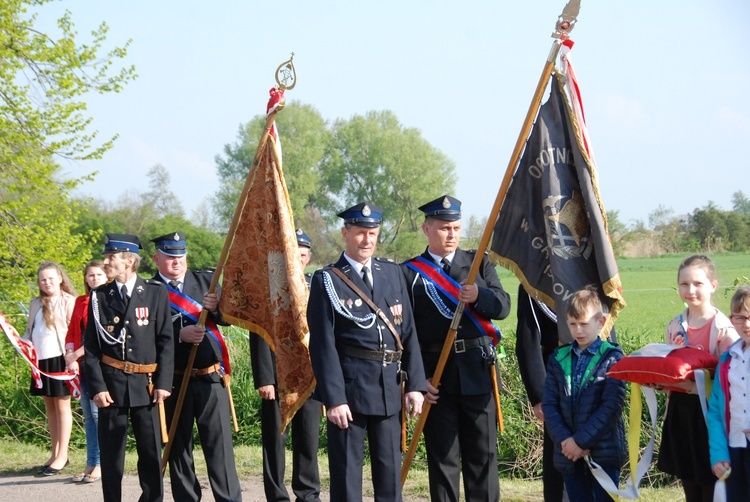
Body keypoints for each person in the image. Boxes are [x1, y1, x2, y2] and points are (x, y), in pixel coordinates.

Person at [307, 202, 426, 501]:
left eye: (372, 233)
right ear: (345, 233)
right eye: (360, 233)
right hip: (350, 391)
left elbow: (408, 333)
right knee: (347, 478)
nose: (367, 240)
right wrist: (334, 399)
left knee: (389, 478)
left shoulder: (392, 272)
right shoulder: (329, 279)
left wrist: (416, 386)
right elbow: (323, 345)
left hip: (387, 388)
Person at [401, 195, 511, 501]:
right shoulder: (409, 273)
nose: (451, 234)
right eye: (444, 227)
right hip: (436, 377)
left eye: (457, 227)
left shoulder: (478, 263)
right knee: (443, 459)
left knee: (483, 456)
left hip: (477, 372)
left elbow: (503, 306)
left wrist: (479, 295)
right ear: (426, 229)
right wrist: (416, 380)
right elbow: (404, 334)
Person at [150, 231, 242, 502]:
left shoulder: (206, 280)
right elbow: (144, 336)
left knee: (220, 447)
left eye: (181, 256)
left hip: (210, 377)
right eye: (169, 257)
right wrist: (180, 335)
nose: (176, 262)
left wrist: (216, 310)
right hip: (175, 380)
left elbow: (230, 319)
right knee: (179, 448)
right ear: (156, 258)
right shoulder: (150, 290)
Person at [84, 233, 174, 502]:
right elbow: (91, 348)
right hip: (111, 388)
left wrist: (163, 383)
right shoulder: (100, 296)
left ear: (129, 261)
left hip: (146, 387)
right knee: (112, 458)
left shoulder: (155, 292)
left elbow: (166, 341)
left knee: (150, 453)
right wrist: (97, 388)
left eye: (111, 257)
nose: (106, 261)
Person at [656, 254, 739, 502]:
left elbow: (731, 383)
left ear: (712, 285)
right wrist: (660, 382)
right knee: (689, 484)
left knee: (712, 487)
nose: (690, 290)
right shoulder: (674, 326)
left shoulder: (725, 330)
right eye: (684, 284)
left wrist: (692, 387)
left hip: (710, 418)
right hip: (681, 415)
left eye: (698, 284)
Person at [250, 228, 321, 502]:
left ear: (308, 257)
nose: (299, 259)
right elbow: (258, 334)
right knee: (275, 442)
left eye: (303, 255)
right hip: (277, 378)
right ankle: (277, 495)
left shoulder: (316, 286)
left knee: (308, 440)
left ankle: (308, 494)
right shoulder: (270, 289)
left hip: (310, 377)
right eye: (294, 254)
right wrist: (264, 378)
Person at [542, 287, 627, 501]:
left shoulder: (612, 358)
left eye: (584, 324)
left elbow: (611, 407)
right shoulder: (558, 358)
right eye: (572, 324)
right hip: (568, 453)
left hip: (603, 453)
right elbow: (550, 406)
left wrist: (581, 441)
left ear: (601, 322)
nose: (578, 330)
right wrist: (567, 442)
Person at [23, 261, 77, 476]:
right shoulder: (36, 303)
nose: (47, 283)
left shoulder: (68, 301)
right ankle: (54, 453)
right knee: (50, 408)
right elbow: (30, 331)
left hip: (60, 359)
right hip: (41, 361)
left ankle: (63, 455)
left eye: (51, 278)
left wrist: (72, 359)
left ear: (60, 279)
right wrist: (22, 343)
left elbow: (75, 331)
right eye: (43, 279)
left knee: (63, 407)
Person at [515, 285, 566, 501]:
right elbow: (528, 342)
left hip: (595, 378)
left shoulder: (593, 274)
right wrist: (539, 396)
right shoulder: (532, 284)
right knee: (560, 454)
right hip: (555, 384)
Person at [64, 260, 108, 484]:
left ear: (106, 276)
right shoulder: (81, 301)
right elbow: (72, 330)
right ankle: (91, 462)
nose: (94, 279)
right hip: (81, 365)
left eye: (98, 275)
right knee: (89, 417)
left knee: (98, 415)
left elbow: (100, 336)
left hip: (97, 363)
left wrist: (78, 354)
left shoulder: (108, 300)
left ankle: (100, 464)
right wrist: (70, 354)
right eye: (90, 275)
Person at [707, 286, 750, 501]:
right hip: (734, 449)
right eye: (740, 318)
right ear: (732, 320)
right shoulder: (728, 359)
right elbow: (715, 411)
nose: (747, 324)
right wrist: (718, 454)